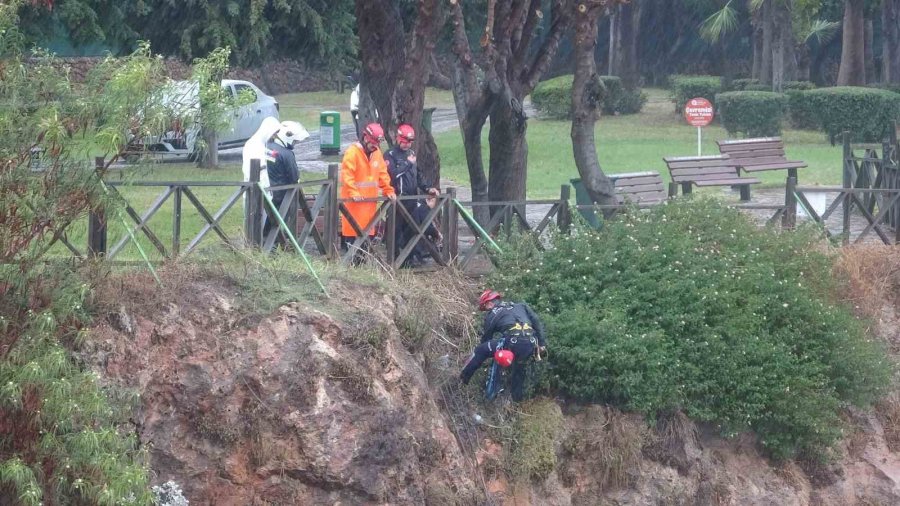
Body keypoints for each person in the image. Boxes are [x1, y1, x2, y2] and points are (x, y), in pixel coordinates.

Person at [460, 290, 547, 401]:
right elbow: (536, 322)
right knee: (519, 370)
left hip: (512, 343)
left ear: (489, 303)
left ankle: (463, 379)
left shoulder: (494, 313)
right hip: (530, 344)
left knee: (481, 350)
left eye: (485, 307)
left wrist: (485, 354)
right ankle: (516, 402)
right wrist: (542, 344)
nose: (486, 310)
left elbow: (486, 339)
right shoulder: (521, 306)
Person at [384, 124, 440, 267]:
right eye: (405, 141)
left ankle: (412, 259)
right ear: (398, 138)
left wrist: (428, 188)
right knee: (396, 232)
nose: (407, 144)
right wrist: (408, 164)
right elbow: (392, 175)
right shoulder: (390, 155)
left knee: (414, 229)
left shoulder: (411, 154)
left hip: (412, 199)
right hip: (397, 200)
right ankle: (395, 261)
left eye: (410, 141)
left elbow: (418, 175)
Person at [340, 123, 397, 261]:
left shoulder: (377, 153)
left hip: (370, 208)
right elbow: (347, 175)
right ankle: (352, 269)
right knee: (353, 241)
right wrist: (354, 193)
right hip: (353, 207)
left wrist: (388, 190)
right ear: (365, 138)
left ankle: (362, 269)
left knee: (367, 243)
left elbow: (383, 174)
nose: (374, 146)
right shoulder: (352, 152)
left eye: (376, 143)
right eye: (372, 143)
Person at [262, 121, 308, 243]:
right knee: (278, 224)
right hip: (282, 196)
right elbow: (294, 177)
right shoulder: (287, 154)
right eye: (294, 141)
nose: (294, 144)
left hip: (265, 192)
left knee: (265, 223)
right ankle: (277, 245)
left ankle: (263, 243)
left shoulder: (266, 147)